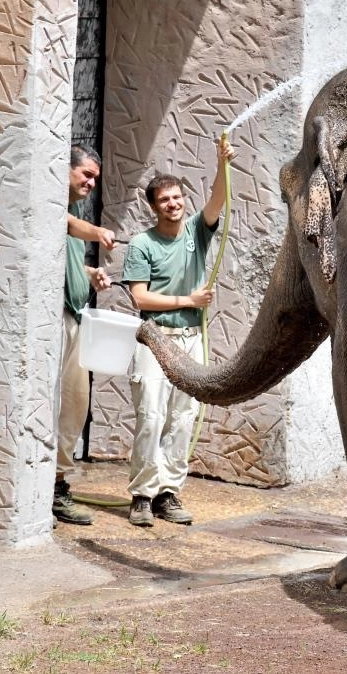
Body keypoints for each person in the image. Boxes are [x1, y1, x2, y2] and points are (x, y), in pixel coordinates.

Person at [121, 137, 236, 527]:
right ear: (153, 207)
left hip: (192, 339)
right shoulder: (141, 244)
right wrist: (188, 300)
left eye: (177, 198)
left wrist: (222, 164)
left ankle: (168, 494)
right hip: (155, 338)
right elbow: (141, 297)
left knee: (183, 417)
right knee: (151, 416)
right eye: (165, 200)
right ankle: (141, 494)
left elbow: (218, 201)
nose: (173, 204)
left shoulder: (195, 232)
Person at [54, 143, 115, 525]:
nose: (91, 182)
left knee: (76, 403)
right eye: (86, 174)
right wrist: (97, 231)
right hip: (54, 319)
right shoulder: (60, 207)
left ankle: (58, 483)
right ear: (68, 170)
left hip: (76, 316)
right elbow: (62, 223)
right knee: (54, 403)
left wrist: (91, 274)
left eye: (95, 177)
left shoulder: (76, 210)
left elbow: (70, 253)